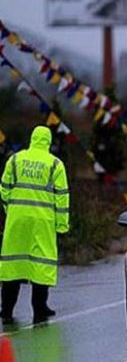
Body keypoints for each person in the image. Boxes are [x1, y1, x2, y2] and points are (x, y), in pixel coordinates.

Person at [0, 126, 70, 324]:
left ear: (32, 139)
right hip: (43, 221)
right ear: (48, 142)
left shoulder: (15, 159)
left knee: (13, 264)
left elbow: (4, 188)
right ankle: (40, 308)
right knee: (41, 263)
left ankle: (6, 310)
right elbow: (62, 198)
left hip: (17, 220)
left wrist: (11, 209)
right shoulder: (55, 165)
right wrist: (62, 225)